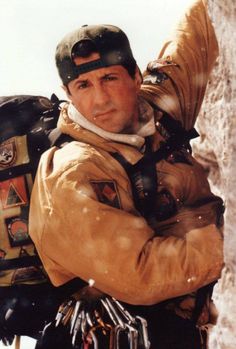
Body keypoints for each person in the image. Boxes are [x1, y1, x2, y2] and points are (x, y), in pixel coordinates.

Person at [29, 0, 224, 347]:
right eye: (84, 86)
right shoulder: (73, 172)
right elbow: (141, 274)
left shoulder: (161, 107)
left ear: (135, 76)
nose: (100, 99)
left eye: (109, 78)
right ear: (68, 95)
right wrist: (228, 247)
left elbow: (198, 32)